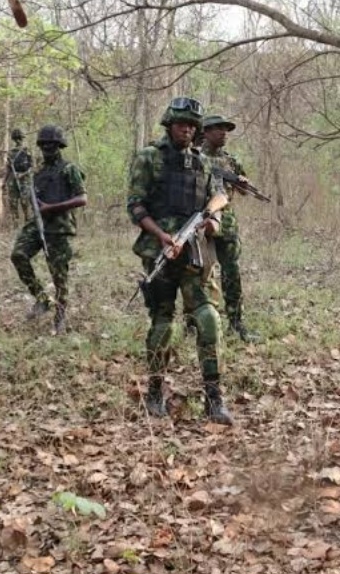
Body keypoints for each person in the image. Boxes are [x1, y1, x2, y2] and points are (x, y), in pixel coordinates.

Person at [127, 97, 233, 426]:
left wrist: (211, 224)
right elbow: (135, 206)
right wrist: (161, 235)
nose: (186, 129)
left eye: (191, 125)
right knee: (162, 325)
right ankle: (154, 393)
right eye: (180, 123)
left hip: (195, 255)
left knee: (208, 320)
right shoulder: (149, 157)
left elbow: (218, 202)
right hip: (159, 253)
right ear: (169, 125)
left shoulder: (204, 163)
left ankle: (214, 399)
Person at [10, 124, 87, 334]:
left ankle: (60, 315)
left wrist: (52, 207)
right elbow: (31, 195)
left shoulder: (69, 169)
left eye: (51, 144)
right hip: (38, 223)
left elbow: (82, 198)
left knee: (59, 276)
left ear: (59, 145)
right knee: (18, 255)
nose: (47, 148)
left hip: (59, 227)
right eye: (43, 145)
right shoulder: (37, 171)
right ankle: (42, 298)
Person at [200, 114, 259, 342]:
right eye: (218, 128)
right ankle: (195, 322)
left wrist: (242, 183)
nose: (223, 133)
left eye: (225, 129)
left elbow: (243, 190)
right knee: (199, 274)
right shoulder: (195, 157)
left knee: (231, 272)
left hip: (227, 223)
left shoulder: (231, 160)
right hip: (201, 221)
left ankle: (236, 323)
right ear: (205, 132)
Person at [2, 128, 33, 225]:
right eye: (17, 139)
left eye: (20, 139)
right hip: (13, 180)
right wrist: (4, 182)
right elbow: (8, 168)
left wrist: (23, 174)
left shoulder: (27, 151)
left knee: (25, 203)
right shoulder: (11, 153)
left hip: (25, 180)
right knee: (13, 204)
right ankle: (15, 225)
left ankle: (27, 224)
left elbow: (32, 167)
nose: (19, 141)